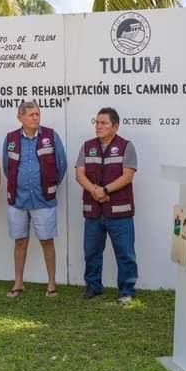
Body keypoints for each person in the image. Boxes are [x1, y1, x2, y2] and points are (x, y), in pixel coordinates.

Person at [3, 100, 67, 298]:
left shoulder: (51, 136)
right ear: (20, 117)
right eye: (31, 115)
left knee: (47, 241)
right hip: (18, 200)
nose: (36, 118)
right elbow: (7, 168)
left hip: (43, 200)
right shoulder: (11, 138)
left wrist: (50, 185)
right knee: (20, 241)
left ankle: (51, 283)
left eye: (37, 114)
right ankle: (18, 283)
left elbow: (61, 165)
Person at [75, 107, 138, 305]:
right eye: (97, 122)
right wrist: (95, 190)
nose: (99, 126)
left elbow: (127, 176)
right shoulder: (87, 146)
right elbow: (79, 174)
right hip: (93, 212)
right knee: (91, 251)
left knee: (125, 253)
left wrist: (105, 190)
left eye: (104, 123)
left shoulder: (126, 146)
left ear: (115, 126)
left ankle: (126, 290)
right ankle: (93, 286)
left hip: (119, 213)